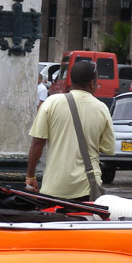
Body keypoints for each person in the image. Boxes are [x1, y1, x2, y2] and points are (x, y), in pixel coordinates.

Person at [27, 60, 114, 200]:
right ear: (92, 83)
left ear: (71, 80)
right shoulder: (102, 108)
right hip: (87, 187)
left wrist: (30, 176)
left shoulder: (51, 103)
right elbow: (108, 148)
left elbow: (37, 142)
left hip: (54, 186)